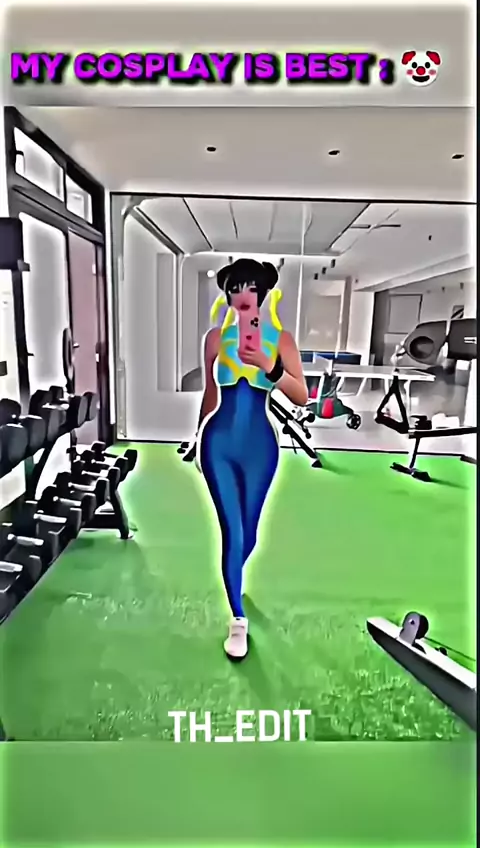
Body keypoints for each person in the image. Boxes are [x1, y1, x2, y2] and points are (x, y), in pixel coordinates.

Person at [193, 258, 308, 660]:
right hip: (218, 445)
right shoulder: (214, 339)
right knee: (233, 533)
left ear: (262, 294)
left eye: (249, 288)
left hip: (261, 448)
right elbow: (210, 393)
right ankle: (237, 619)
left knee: (251, 535)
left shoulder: (282, 341)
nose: (241, 295)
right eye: (233, 289)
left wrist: (267, 365)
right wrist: (195, 437)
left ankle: (234, 577)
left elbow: (301, 396)